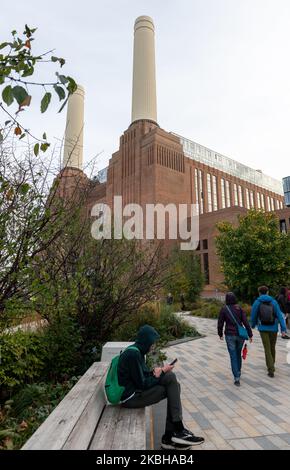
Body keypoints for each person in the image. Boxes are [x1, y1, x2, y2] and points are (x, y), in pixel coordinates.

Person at [118, 324, 205, 450]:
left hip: (136, 392)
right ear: (146, 341)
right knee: (171, 387)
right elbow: (143, 384)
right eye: (152, 343)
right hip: (130, 398)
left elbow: (141, 376)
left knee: (171, 380)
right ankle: (175, 432)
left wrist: (155, 372)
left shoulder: (136, 350)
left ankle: (172, 434)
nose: (153, 346)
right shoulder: (133, 355)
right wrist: (162, 372)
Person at [251, 286, 287, 378]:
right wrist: (283, 329)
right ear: (267, 292)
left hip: (263, 328)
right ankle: (272, 364)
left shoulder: (257, 302)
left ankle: (271, 368)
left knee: (267, 348)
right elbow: (279, 315)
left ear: (259, 293)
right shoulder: (274, 302)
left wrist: (253, 325)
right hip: (273, 327)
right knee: (272, 347)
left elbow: (254, 315)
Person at [218, 292, 253, 386]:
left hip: (229, 335)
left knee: (233, 356)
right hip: (240, 335)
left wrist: (220, 333)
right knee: (238, 353)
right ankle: (238, 371)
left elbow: (220, 322)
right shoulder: (239, 308)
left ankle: (236, 377)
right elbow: (246, 322)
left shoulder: (224, 309)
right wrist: (250, 334)